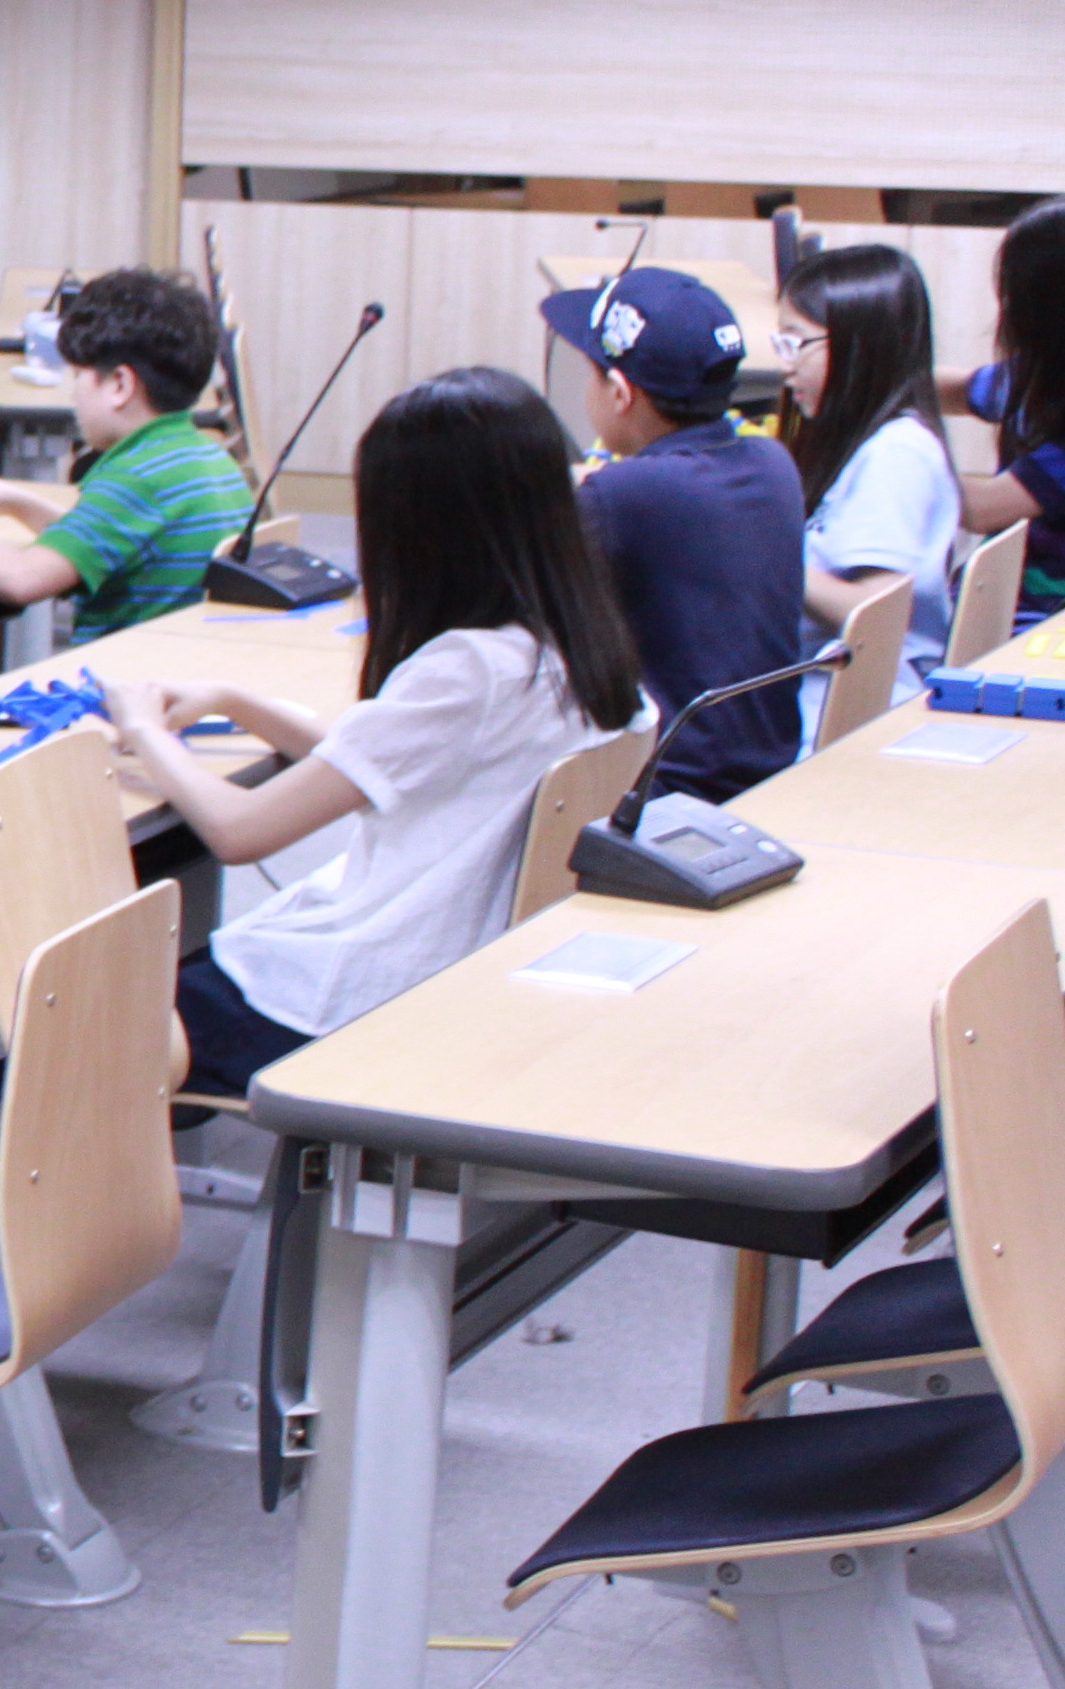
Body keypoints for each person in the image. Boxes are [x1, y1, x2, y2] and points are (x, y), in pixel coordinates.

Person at [96, 367, 637, 1096]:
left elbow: (238, 831)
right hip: (455, 976)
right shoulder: (574, 647)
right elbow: (383, 756)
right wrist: (234, 699)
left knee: (54, 1031)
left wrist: (143, 729)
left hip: (358, 998)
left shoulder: (468, 670)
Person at [543, 262, 806, 802]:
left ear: (619, 392)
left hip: (663, 789)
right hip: (770, 773)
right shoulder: (772, 461)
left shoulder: (620, 495)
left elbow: (534, 622)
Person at [0, 269, 245, 638]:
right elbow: (107, 543)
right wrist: (17, 503)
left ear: (119, 384)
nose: (73, 394)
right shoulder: (208, 460)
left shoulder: (137, 478)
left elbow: (21, 578)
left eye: (78, 377)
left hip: (122, 682)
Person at [777, 242, 957, 707]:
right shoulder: (873, 444)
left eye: (797, 342)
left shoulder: (896, 456)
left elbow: (872, 612)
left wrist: (759, 546)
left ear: (858, 344)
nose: (786, 364)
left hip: (850, 711)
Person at [946, 199, 1065, 628]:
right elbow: (956, 389)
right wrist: (864, 375)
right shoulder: (1039, 375)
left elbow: (985, 508)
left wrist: (901, 461)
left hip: (1040, 628)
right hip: (998, 600)